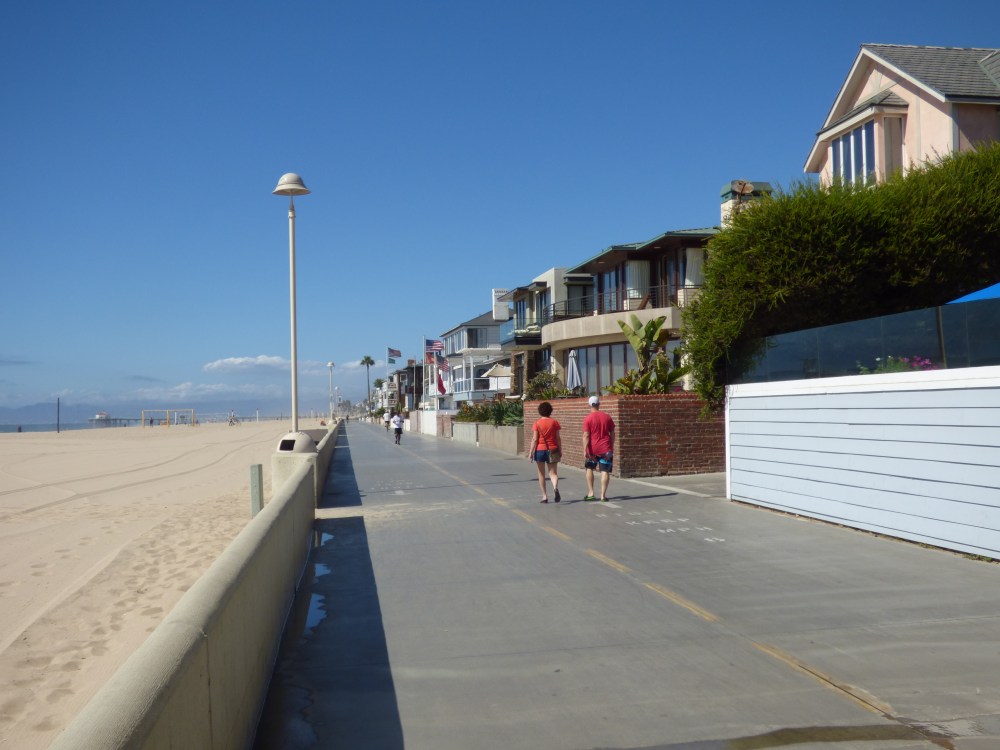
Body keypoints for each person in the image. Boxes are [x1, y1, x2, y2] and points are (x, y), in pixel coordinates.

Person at [582, 395, 615, 501]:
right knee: (605, 471)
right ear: (599, 404)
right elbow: (613, 433)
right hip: (606, 449)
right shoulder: (607, 417)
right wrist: (611, 445)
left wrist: (584, 449)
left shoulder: (588, 418)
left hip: (592, 450)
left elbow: (586, 435)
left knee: (589, 468)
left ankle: (591, 493)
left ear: (589, 405)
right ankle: (603, 495)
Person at [528, 401, 561, 503]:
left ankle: (544, 496)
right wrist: (560, 449)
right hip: (553, 449)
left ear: (540, 411)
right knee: (553, 473)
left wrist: (530, 452)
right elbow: (558, 438)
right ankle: (555, 487)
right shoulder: (555, 422)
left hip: (540, 450)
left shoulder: (536, 423)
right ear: (550, 411)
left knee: (541, 474)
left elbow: (534, 439)